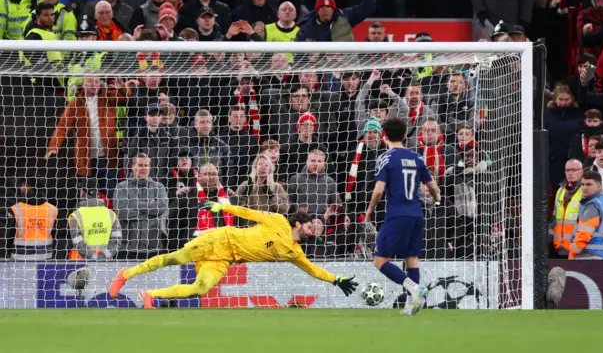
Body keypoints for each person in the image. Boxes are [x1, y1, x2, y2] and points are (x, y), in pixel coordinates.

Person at [108, 204, 358, 309]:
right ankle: (126, 274)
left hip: (225, 259)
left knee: (201, 287)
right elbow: (248, 212)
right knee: (175, 258)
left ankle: (151, 295)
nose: (313, 229)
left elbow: (313, 270)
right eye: (310, 225)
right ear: (299, 223)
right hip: (220, 239)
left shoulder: (295, 253)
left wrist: (336, 280)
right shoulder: (278, 220)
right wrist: (223, 207)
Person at [365, 118, 440, 315]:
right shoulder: (417, 158)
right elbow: (432, 187)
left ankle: (413, 288)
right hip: (416, 213)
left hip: (397, 214)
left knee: (379, 260)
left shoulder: (385, 157)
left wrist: (370, 208)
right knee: (411, 258)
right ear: (405, 136)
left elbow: (379, 190)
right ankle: (411, 304)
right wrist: (438, 200)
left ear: (384, 135)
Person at [569, 170, 603, 259]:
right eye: (583, 184)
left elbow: (584, 234)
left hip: (590, 256)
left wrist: (573, 251)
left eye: (589, 184)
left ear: (599, 185)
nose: (584, 187)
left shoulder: (592, 205)